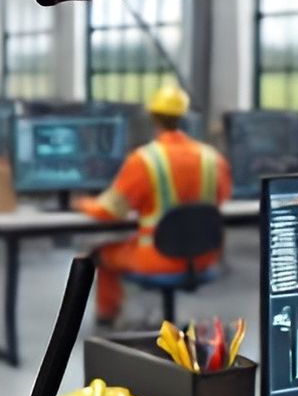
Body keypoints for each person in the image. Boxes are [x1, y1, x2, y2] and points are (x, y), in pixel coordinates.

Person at [76, 83, 231, 326]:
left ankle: (106, 319)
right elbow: (220, 200)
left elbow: (110, 210)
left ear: (152, 118)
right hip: (204, 258)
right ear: (184, 117)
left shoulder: (144, 160)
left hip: (156, 258)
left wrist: (83, 204)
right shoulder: (212, 158)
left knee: (100, 254)